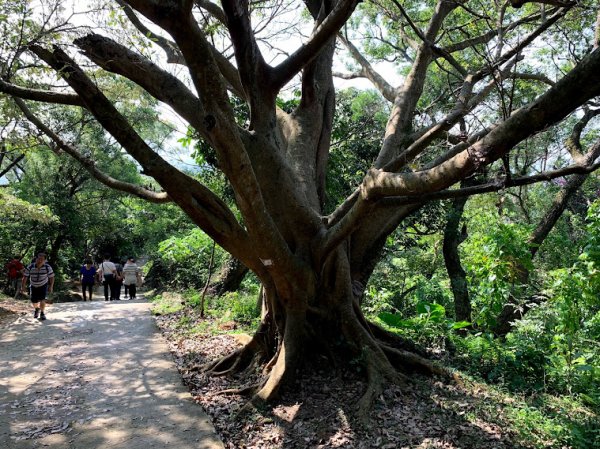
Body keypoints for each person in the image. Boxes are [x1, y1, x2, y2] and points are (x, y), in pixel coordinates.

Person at [22, 252, 54, 321]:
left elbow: (51, 277)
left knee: (42, 299)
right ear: (36, 259)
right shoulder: (30, 267)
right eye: (39, 259)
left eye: (42, 259)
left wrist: (51, 286)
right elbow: (25, 277)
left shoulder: (47, 267)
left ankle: (42, 313)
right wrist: (23, 286)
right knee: (34, 300)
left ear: (45, 260)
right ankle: (36, 309)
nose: (40, 260)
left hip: (43, 284)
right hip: (33, 285)